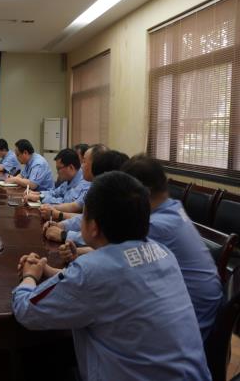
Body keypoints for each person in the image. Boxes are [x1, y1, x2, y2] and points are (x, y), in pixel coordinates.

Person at [12, 171, 211, 380]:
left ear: (93, 227)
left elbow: (27, 311)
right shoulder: (163, 252)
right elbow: (112, 276)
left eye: (84, 215)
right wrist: (49, 271)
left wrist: (29, 277)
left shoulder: (93, 271)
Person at [121, 154, 223, 340]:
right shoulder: (173, 207)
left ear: (143, 193)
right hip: (197, 306)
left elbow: (116, 258)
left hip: (190, 321)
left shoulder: (156, 226)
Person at [43, 148, 127, 247]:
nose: (81, 166)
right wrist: (62, 225)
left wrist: (64, 235)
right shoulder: (95, 186)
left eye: (84, 161)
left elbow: (104, 239)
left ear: (97, 164)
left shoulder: (111, 194)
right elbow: (85, 218)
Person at [24, 148, 90, 205]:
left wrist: (40, 198)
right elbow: (54, 193)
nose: (57, 172)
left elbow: (65, 203)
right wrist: (37, 194)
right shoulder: (68, 180)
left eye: (59, 169)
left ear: (71, 167)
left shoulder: (84, 183)